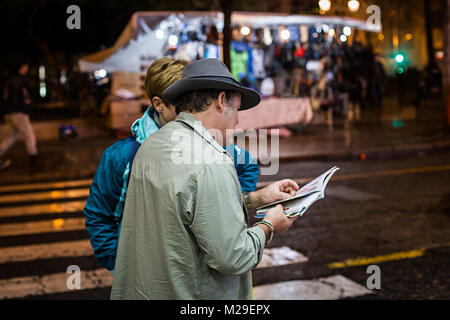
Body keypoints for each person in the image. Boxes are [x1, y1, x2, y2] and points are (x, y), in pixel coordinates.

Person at [111, 58, 299, 300]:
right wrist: (270, 225)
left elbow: (184, 211)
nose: (238, 121)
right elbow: (233, 257)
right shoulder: (211, 160)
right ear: (221, 101)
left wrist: (257, 198)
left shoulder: (152, 144)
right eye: (237, 109)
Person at [83, 57, 260, 273]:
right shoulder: (125, 155)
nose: (191, 109)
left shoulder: (212, 141)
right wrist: (121, 263)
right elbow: (100, 215)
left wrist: (235, 202)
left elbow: (247, 164)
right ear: (159, 104)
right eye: (180, 101)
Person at [0, 62, 38, 170]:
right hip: (18, 113)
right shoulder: (17, 80)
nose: (27, 68)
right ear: (22, 67)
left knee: (12, 136)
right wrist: (24, 106)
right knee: (29, 135)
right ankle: (34, 158)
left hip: (10, 113)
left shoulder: (10, 80)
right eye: (26, 66)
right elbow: (17, 98)